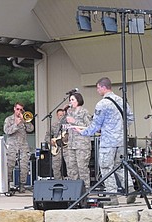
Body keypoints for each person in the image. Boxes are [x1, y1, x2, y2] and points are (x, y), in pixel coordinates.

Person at [78, 77, 136, 205]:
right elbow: (131, 118)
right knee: (120, 166)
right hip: (121, 141)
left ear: (103, 87)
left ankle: (112, 197)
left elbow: (96, 125)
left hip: (108, 142)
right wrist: (120, 128)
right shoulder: (121, 101)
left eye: (98, 88)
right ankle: (130, 189)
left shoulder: (102, 104)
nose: (97, 90)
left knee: (106, 168)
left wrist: (83, 132)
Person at [4, 102, 34, 192]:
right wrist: (16, 124)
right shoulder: (9, 119)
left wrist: (24, 121)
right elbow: (7, 131)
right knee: (9, 166)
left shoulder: (25, 119)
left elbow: (31, 129)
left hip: (23, 145)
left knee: (24, 166)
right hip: (12, 146)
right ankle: (8, 185)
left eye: (21, 109)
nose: (19, 111)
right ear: (14, 109)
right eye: (17, 109)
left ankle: (22, 185)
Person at [65, 93, 92, 189]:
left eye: (73, 100)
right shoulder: (69, 112)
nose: (71, 102)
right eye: (70, 100)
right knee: (72, 167)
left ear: (78, 100)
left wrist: (74, 121)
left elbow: (90, 126)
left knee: (82, 168)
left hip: (82, 144)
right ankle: (74, 189)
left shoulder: (84, 112)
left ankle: (86, 189)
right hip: (71, 144)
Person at [44, 108, 68, 180]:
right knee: (55, 166)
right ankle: (58, 182)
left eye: (63, 115)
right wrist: (51, 141)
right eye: (60, 115)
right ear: (57, 116)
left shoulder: (69, 125)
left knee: (71, 166)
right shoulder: (54, 125)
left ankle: (72, 183)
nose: (61, 117)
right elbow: (47, 136)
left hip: (67, 147)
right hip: (57, 148)